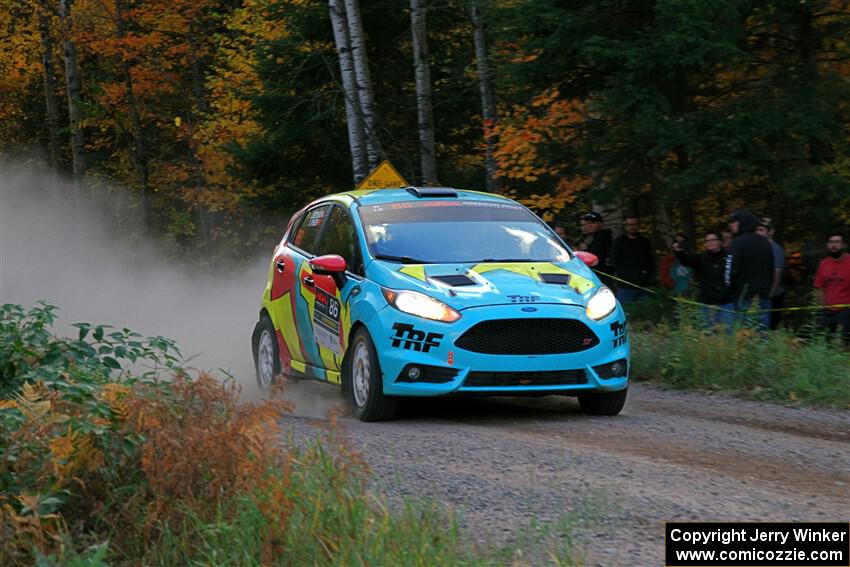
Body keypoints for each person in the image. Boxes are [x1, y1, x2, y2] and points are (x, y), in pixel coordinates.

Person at [724, 209, 774, 329]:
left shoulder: (736, 243)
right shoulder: (765, 243)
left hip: (743, 297)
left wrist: (730, 291)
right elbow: (771, 269)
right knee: (762, 335)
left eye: (733, 221)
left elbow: (730, 271)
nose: (731, 224)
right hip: (763, 296)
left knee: (744, 337)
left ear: (743, 223)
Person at [674, 230, 731, 327]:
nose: (710, 242)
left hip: (726, 302)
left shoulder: (730, 257)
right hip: (706, 302)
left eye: (713, 240)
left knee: (727, 332)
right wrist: (679, 252)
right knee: (706, 333)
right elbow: (687, 261)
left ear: (720, 241)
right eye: (707, 241)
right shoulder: (701, 258)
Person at [813, 231, 850, 346]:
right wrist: (821, 307)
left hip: (846, 310)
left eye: (837, 242)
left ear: (844, 245)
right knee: (823, 343)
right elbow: (818, 287)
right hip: (827, 311)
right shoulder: (824, 263)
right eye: (831, 242)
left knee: (843, 344)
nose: (834, 245)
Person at [612, 216, 654, 302]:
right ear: (625, 226)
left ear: (638, 226)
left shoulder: (645, 241)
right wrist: (621, 276)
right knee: (625, 310)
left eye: (635, 224)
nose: (632, 227)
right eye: (629, 224)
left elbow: (650, 260)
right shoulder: (619, 241)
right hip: (625, 285)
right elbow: (615, 260)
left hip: (644, 284)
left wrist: (648, 276)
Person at [756, 218, 786, 330]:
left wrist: (770, 296)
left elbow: (777, 275)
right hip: (760, 295)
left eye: (761, 230)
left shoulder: (775, 249)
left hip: (774, 295)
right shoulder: (758, 247)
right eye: (757, 230)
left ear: (771, 232)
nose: (758, 233)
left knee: (771, 327)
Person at [578, 211, 613, 285]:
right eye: (586, 224)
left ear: (600, 224)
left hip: (602, 278)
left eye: (592, 223)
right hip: (589, 276)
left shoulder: (604, 237)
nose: (589, 226)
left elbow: (596, 258)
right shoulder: (585, 238)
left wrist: (586, 249)